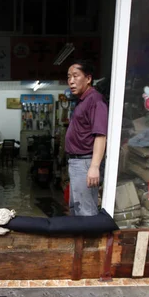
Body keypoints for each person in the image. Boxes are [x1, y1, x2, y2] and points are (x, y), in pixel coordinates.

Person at [65, 60, 108, 216]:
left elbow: (101, 135)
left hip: (86, 162)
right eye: (69, 77)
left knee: (86, 211)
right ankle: (80, 239)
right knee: (77, 209)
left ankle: (89, 241)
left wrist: (94, 166)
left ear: (88, 79)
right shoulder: (83, 100)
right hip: (78, 162)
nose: (71, 81)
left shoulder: (95, 100)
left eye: (76, 76)